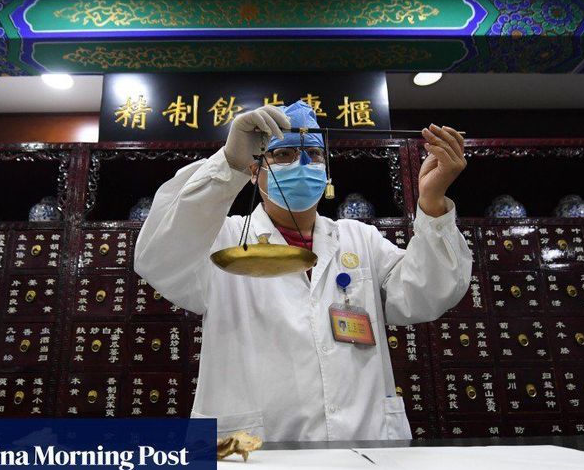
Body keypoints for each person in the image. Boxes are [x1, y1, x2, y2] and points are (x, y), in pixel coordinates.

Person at [134, 100, 471, 441]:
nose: (302, 163)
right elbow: (158, 258)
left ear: (326, 170)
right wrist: (229, 163)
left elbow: (427, 293)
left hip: (363, 442)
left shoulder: (360, 240)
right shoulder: (223, 240)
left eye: (314, 153)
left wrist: (432, 201)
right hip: (253, 450)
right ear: (255, 170)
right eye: (284, 155)